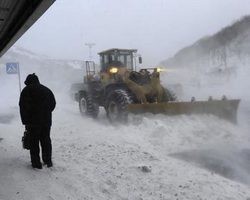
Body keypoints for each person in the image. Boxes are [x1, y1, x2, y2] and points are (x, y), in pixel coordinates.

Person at [19, 73, 56, 169]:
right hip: (46, 121)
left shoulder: (26, 91)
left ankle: (36, 164)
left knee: (34, 142)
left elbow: (22, 107)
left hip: (32, 122)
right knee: (46, 140)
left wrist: (25, 121)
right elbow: (53, 103)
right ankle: (48, 161)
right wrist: (46, 112)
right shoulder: (46, 90)